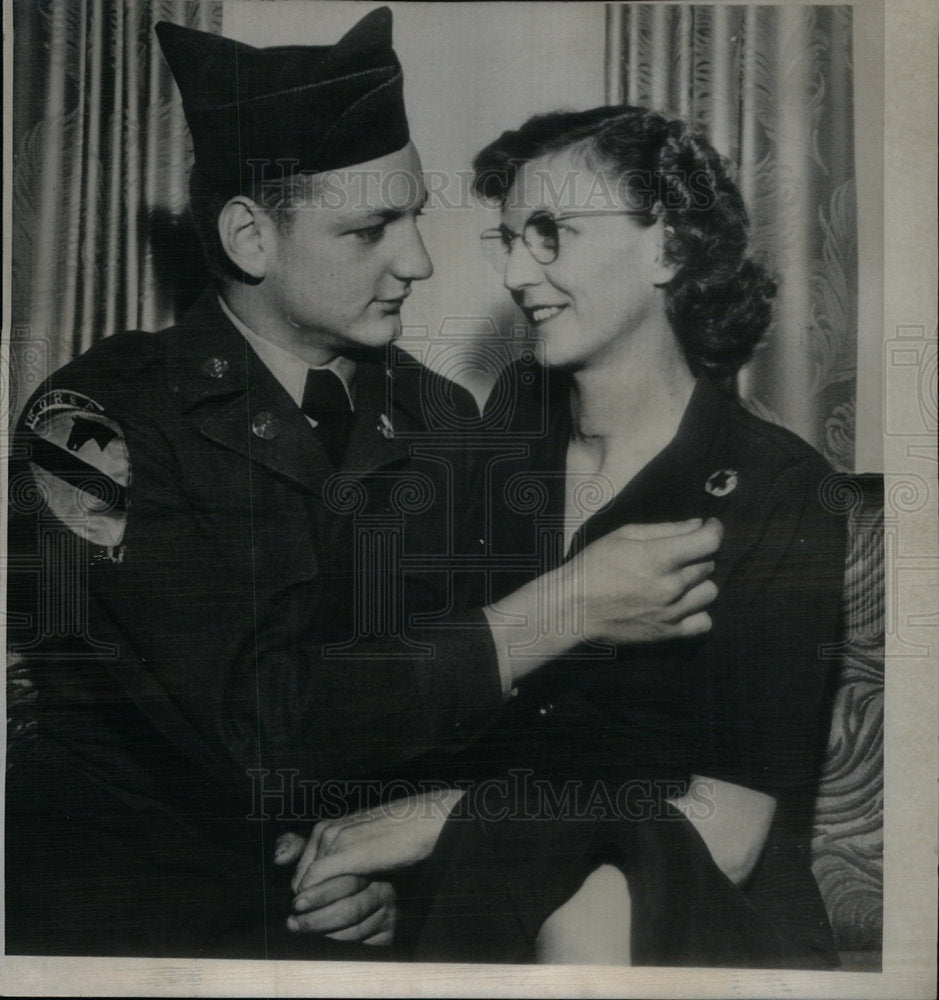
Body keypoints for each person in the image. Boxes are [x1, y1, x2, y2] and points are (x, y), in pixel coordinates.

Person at [4, 16, 721, 959]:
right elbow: (252, 722)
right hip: (124, 925)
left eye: (415, 215)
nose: (418, 261)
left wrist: (395, 865)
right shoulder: (89, 426)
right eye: (371, 227)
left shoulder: (437, 419)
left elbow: (478, 730)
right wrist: (557, 611)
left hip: (358, 918)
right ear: (250, 237)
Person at [282, 105, 847, 968]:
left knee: (589, 919)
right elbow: (380, 716)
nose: (515, 271)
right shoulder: (473, 458)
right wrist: (371, 876)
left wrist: (445, 822)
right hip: (484, 894)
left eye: (550, 233)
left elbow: (728, 834)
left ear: (667, 246)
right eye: (507, 239)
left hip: (680, 912)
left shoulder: (775, 488)